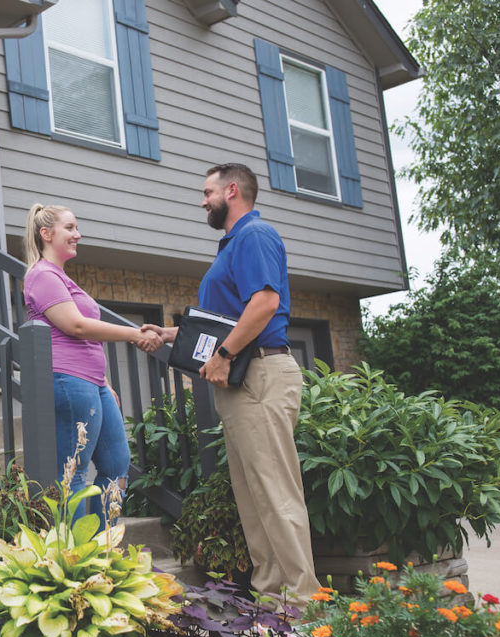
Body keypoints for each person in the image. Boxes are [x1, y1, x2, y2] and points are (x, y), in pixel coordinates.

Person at [142, 164, 320, 603]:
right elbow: (223, 322)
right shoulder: (232, 246)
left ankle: (304, 603)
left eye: (208, 192)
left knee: (276, 492)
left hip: (258, 374)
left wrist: (223, 356)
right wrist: (171, 336)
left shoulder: (254, 237)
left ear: (233, 190)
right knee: (253, 496)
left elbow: (264, 303)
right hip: (242, 381)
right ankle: (272, 597)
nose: (203, 201)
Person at [22, 203, 162, 527]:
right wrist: (134, 333)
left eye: (76, 228)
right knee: (72, 473)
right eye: (70, 228)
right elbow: (77, 326)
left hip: (93, 384)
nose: (77, 234)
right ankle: (77, 560)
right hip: (69, 382)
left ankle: (104, 547)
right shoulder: (41, 275)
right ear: (46, 233)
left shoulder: (61, 277)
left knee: (116, 465)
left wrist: (105, 383)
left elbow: (86, 338)